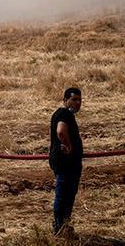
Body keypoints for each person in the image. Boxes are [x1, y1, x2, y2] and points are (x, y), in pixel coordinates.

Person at [49, 87, 83, 236]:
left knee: (68, 194)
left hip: (67, 162)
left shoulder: (62, 114)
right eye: (74, 99)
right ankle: (59, 227)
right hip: (65, 162)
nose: (78, 103)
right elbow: (60, 131)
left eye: (80, 100)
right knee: (64, 194)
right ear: (65, 100)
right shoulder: (65, 114)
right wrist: (69, 146)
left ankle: (64, 225)